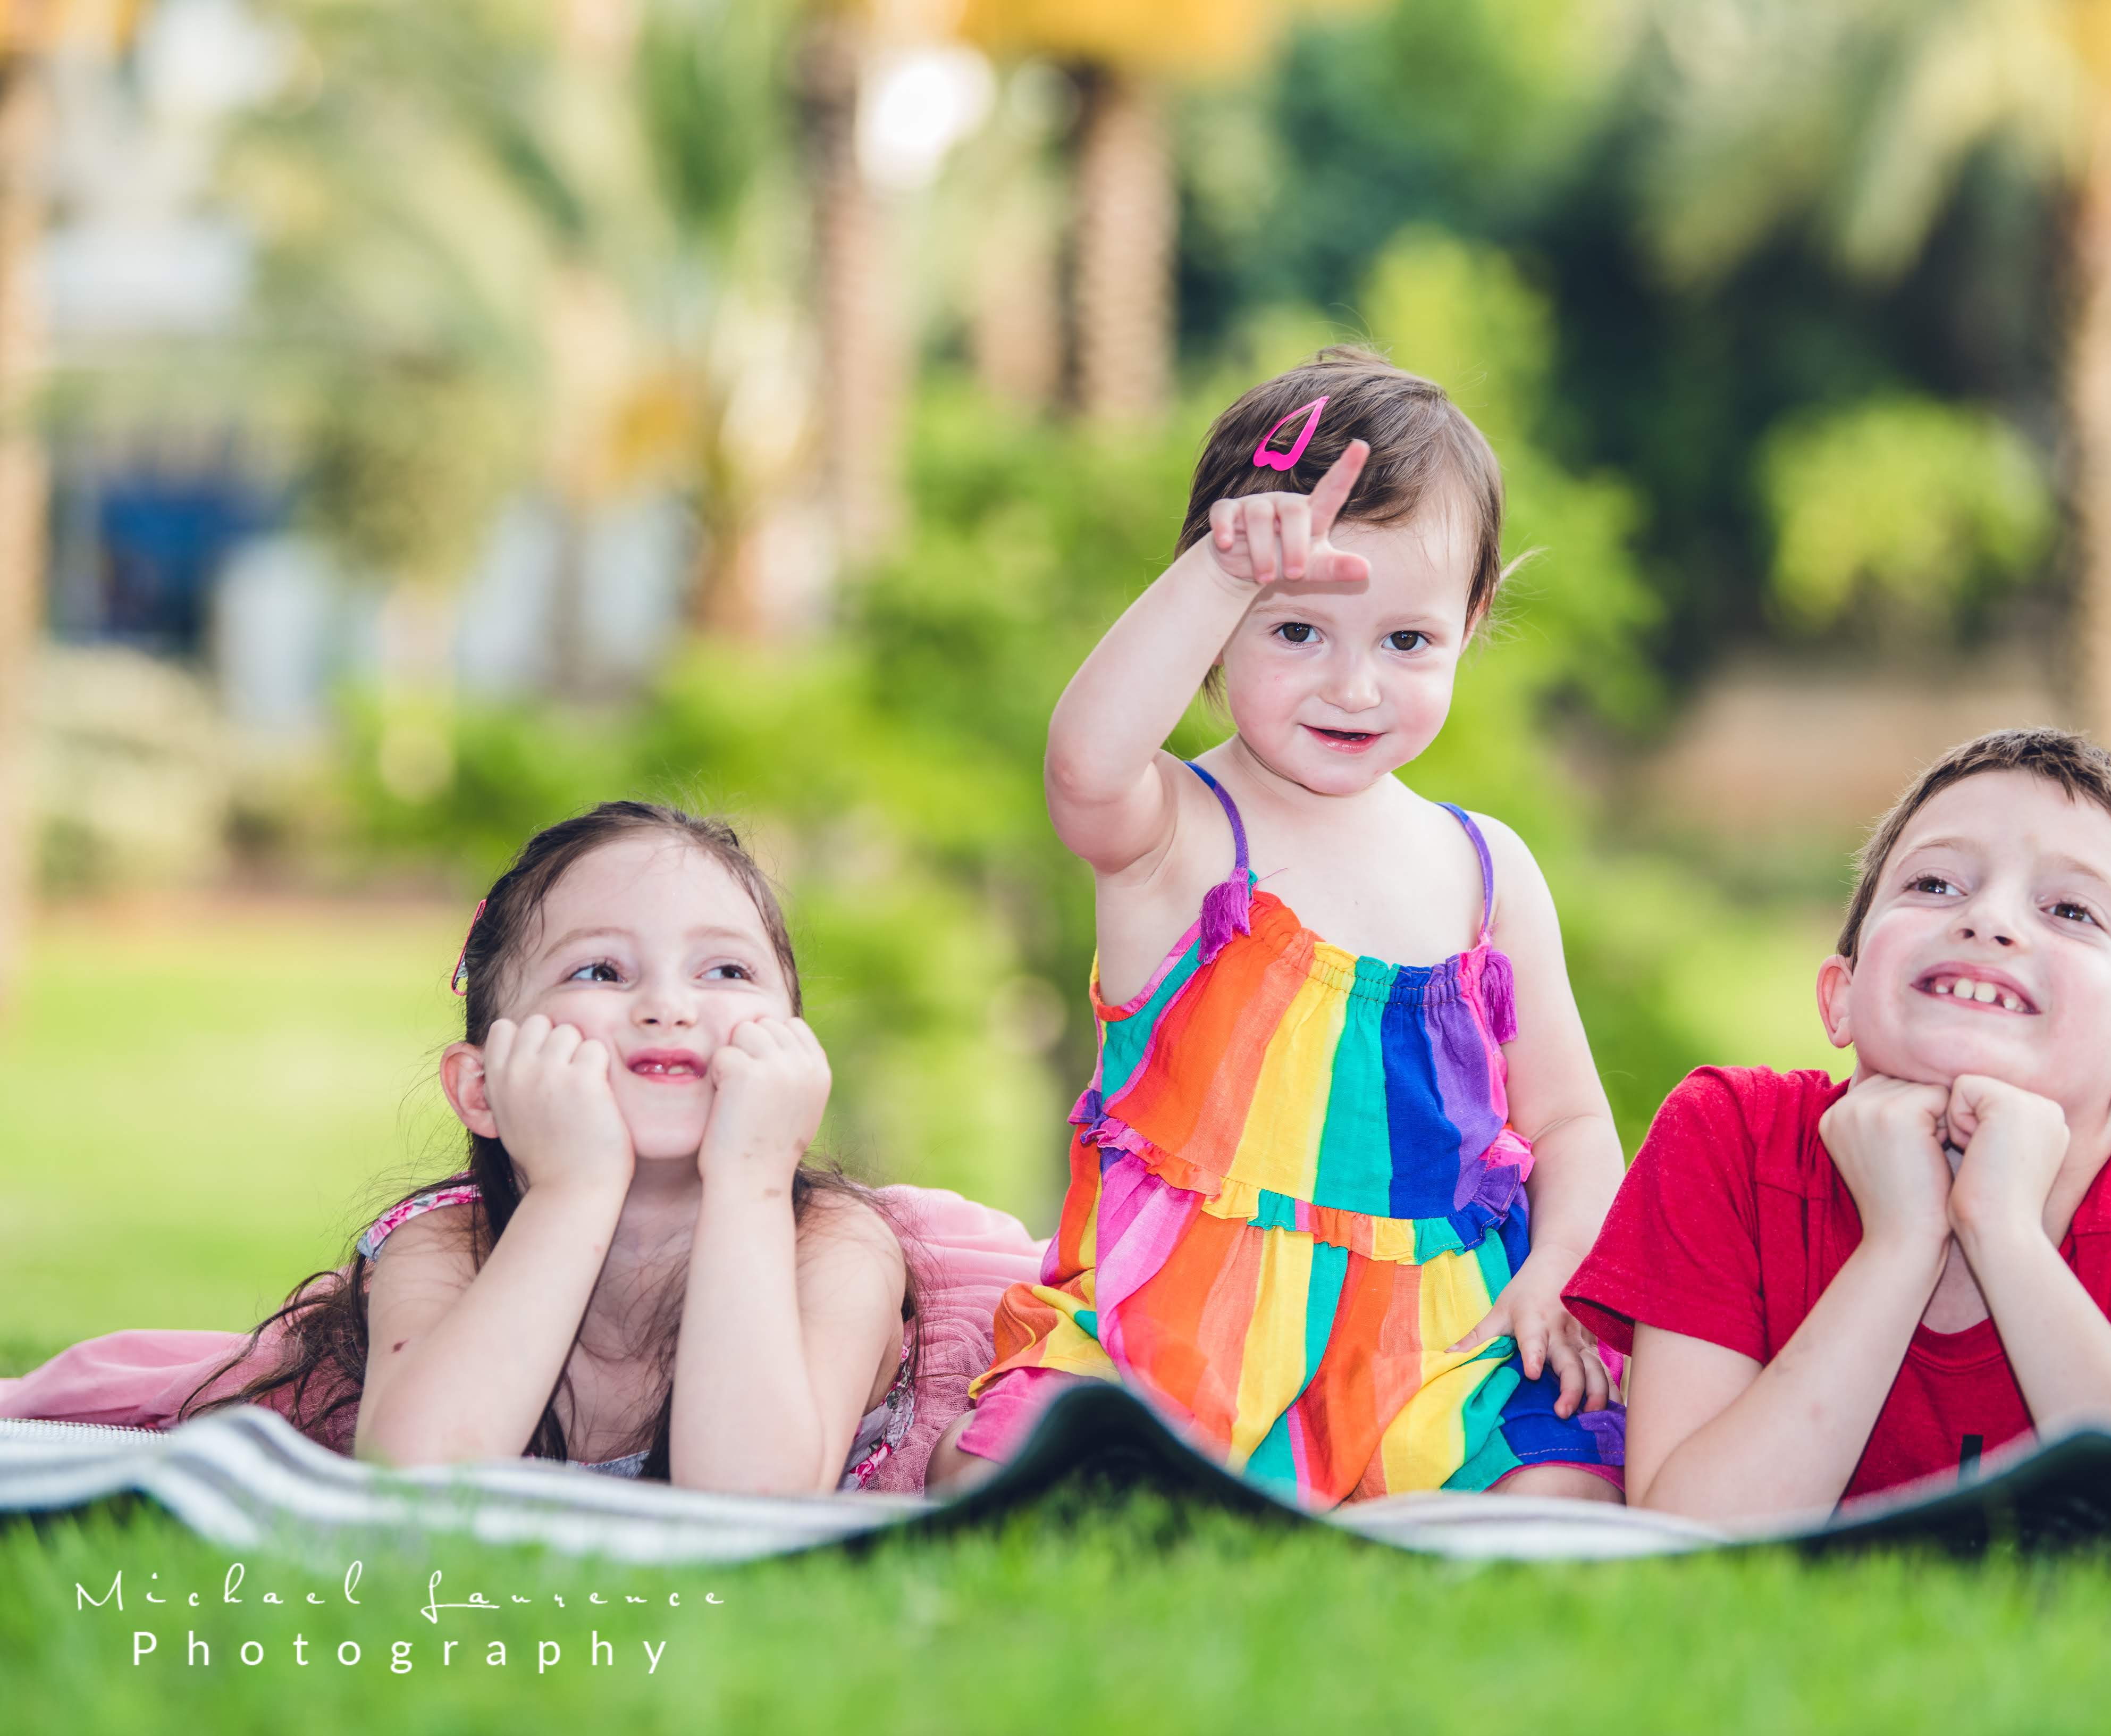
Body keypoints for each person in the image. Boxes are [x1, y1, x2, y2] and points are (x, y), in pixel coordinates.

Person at [931, 348, 1627, 1505]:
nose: (1353, 687)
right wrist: (1217, 571)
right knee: (998, 1477)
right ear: (1215, 621)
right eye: (1296, 631)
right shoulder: (1177, 830)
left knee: (1567, 1494)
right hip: (1176, 1333)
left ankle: (1402, 1540)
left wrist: (1558, 1269)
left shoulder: (1486, 869)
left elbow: (1570, 1119)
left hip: (1431, 1346)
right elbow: (1083, 767)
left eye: (1406, 641)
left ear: (1471, 623)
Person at [3, 802, 1045, 1496]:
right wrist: (572, 1189)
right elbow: (419, 1478)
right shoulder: (448, 1244)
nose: (669, 1004)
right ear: (483, 1088)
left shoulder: (836, 1249)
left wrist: (749, 1178)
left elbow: (749, 1498)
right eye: (600, 972)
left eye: (725, 973)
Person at [1566, 729, 2111, 1523]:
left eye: (2070, 910)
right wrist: (1898, 1244)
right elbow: (1687, 1530)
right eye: (1935, 883)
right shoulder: (1729, 1136)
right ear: (1842, 993)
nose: (1988, 919)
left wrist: (2004, 1233)